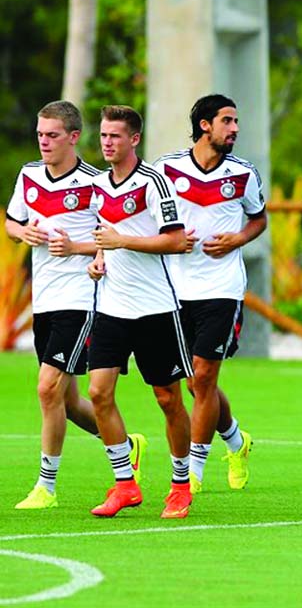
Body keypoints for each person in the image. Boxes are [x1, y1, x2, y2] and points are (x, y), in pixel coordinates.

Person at [6, 101, 146, 509]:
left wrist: (77, 248)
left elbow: (112, 235)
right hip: (45, 299)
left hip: (82, 298)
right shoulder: (29, 175)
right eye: (39, 135)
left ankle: (45, 487)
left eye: (51, 135)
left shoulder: (95, 183)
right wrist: (24, 232)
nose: (44, 142)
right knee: (64, 402)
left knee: (46, 388)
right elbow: (12, 222)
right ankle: (123, 443)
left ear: (72, 137)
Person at [85, 105, 193, 518]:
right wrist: (98, 256)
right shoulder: (97, 185)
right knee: (98, 393)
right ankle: (125, 484)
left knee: (167, 399)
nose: (107, 143)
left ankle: (180, 485)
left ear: (133, 139)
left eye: (115, 136)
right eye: (103, 135)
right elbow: (104, 237)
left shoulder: (155, 184)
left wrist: (121, 242)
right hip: (112, 305)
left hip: (155, 308)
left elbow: (176, 240)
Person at [155, 94, 265, 493]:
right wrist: (169, 240)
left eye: (236, 121)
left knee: (203, 377)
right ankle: (236, 439)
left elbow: (258, 219)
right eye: (227, 121)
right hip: (172, 288)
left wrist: (236, 239)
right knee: (190, 382)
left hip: (221, 288)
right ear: (205, 125)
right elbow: (146, 216)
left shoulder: (243, 173)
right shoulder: (165, 170)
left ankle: (194, 472)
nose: (235, 128)